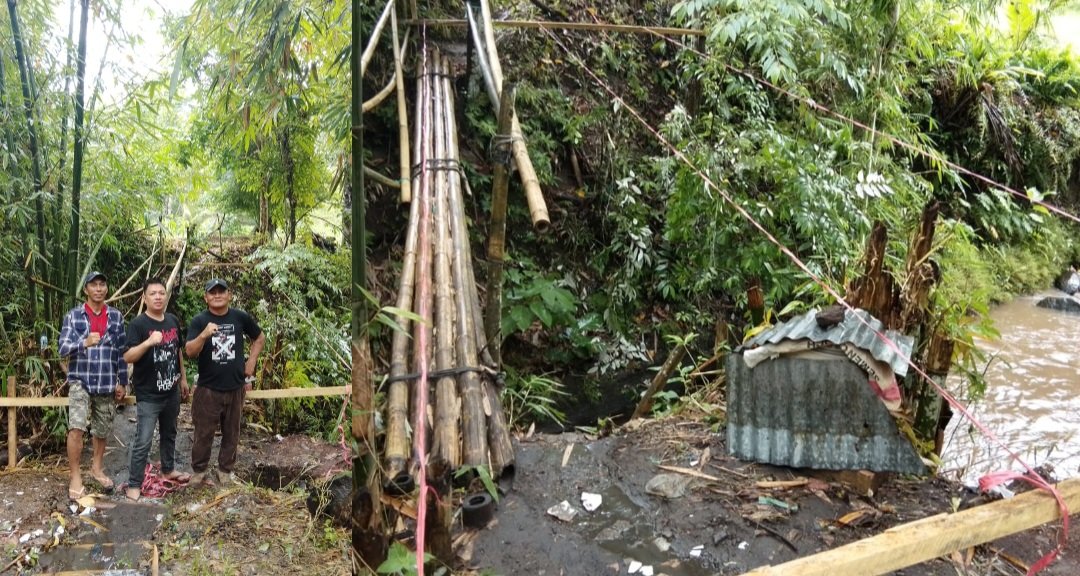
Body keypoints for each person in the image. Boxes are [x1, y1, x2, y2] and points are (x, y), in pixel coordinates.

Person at [185, 278, 264, 486]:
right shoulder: (199, 321)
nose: (217, 295)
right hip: (208, 388)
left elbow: (259, 338)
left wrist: (252, 361)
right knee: (203, 432)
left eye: (222, 291)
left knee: (232, 432)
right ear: (205, 297)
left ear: (229, 295)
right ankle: (199, 471)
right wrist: (203, 335)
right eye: (212, 292)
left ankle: (225, 470)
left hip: (235, 386)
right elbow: (190, 352)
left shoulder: (240, 317)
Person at [58, 271, 128, 500]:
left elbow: (121, 352)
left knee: (102, 428)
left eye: (102, 285)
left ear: (106, 289)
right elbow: (62, 349)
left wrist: (123, 381)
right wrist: (84, 342)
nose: (98, 289)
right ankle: (75, 476)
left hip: (107, 379)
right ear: (86, 290)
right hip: (81, 379)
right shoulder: (74, 316)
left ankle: (97, 468)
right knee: (77, 426)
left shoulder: (116, 317)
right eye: (93, 285)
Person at [123, 278, 191, 500]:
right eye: (153, 293)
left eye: (161, 293)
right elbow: (128, 356)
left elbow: (177, 350)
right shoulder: (138, 325)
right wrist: (148, 343)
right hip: (149, 395)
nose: (158, 297)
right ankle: (134, 483)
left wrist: (182, 378)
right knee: (143, 440)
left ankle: (168, 469)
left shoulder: (172, 320)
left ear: (166, 296)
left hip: (171, 391)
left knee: (169, 433)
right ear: (144, 297)